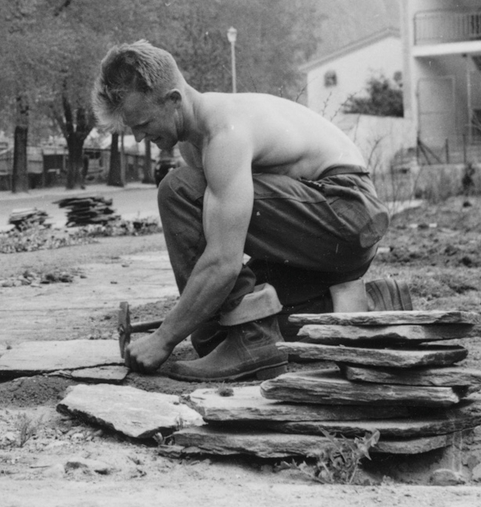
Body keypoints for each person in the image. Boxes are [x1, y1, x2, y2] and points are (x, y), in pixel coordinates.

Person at [92, 40, 390, 382]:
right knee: (211, 333)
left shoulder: (224, 133)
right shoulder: (195, 140)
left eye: (142, 123)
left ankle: (254, 339)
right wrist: (194, 319)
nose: (139, 137)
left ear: (174, 100)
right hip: (330, 238)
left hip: (347, 209)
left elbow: (223, 262)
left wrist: (163, 339)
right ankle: (369, 311)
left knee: (178, 190)